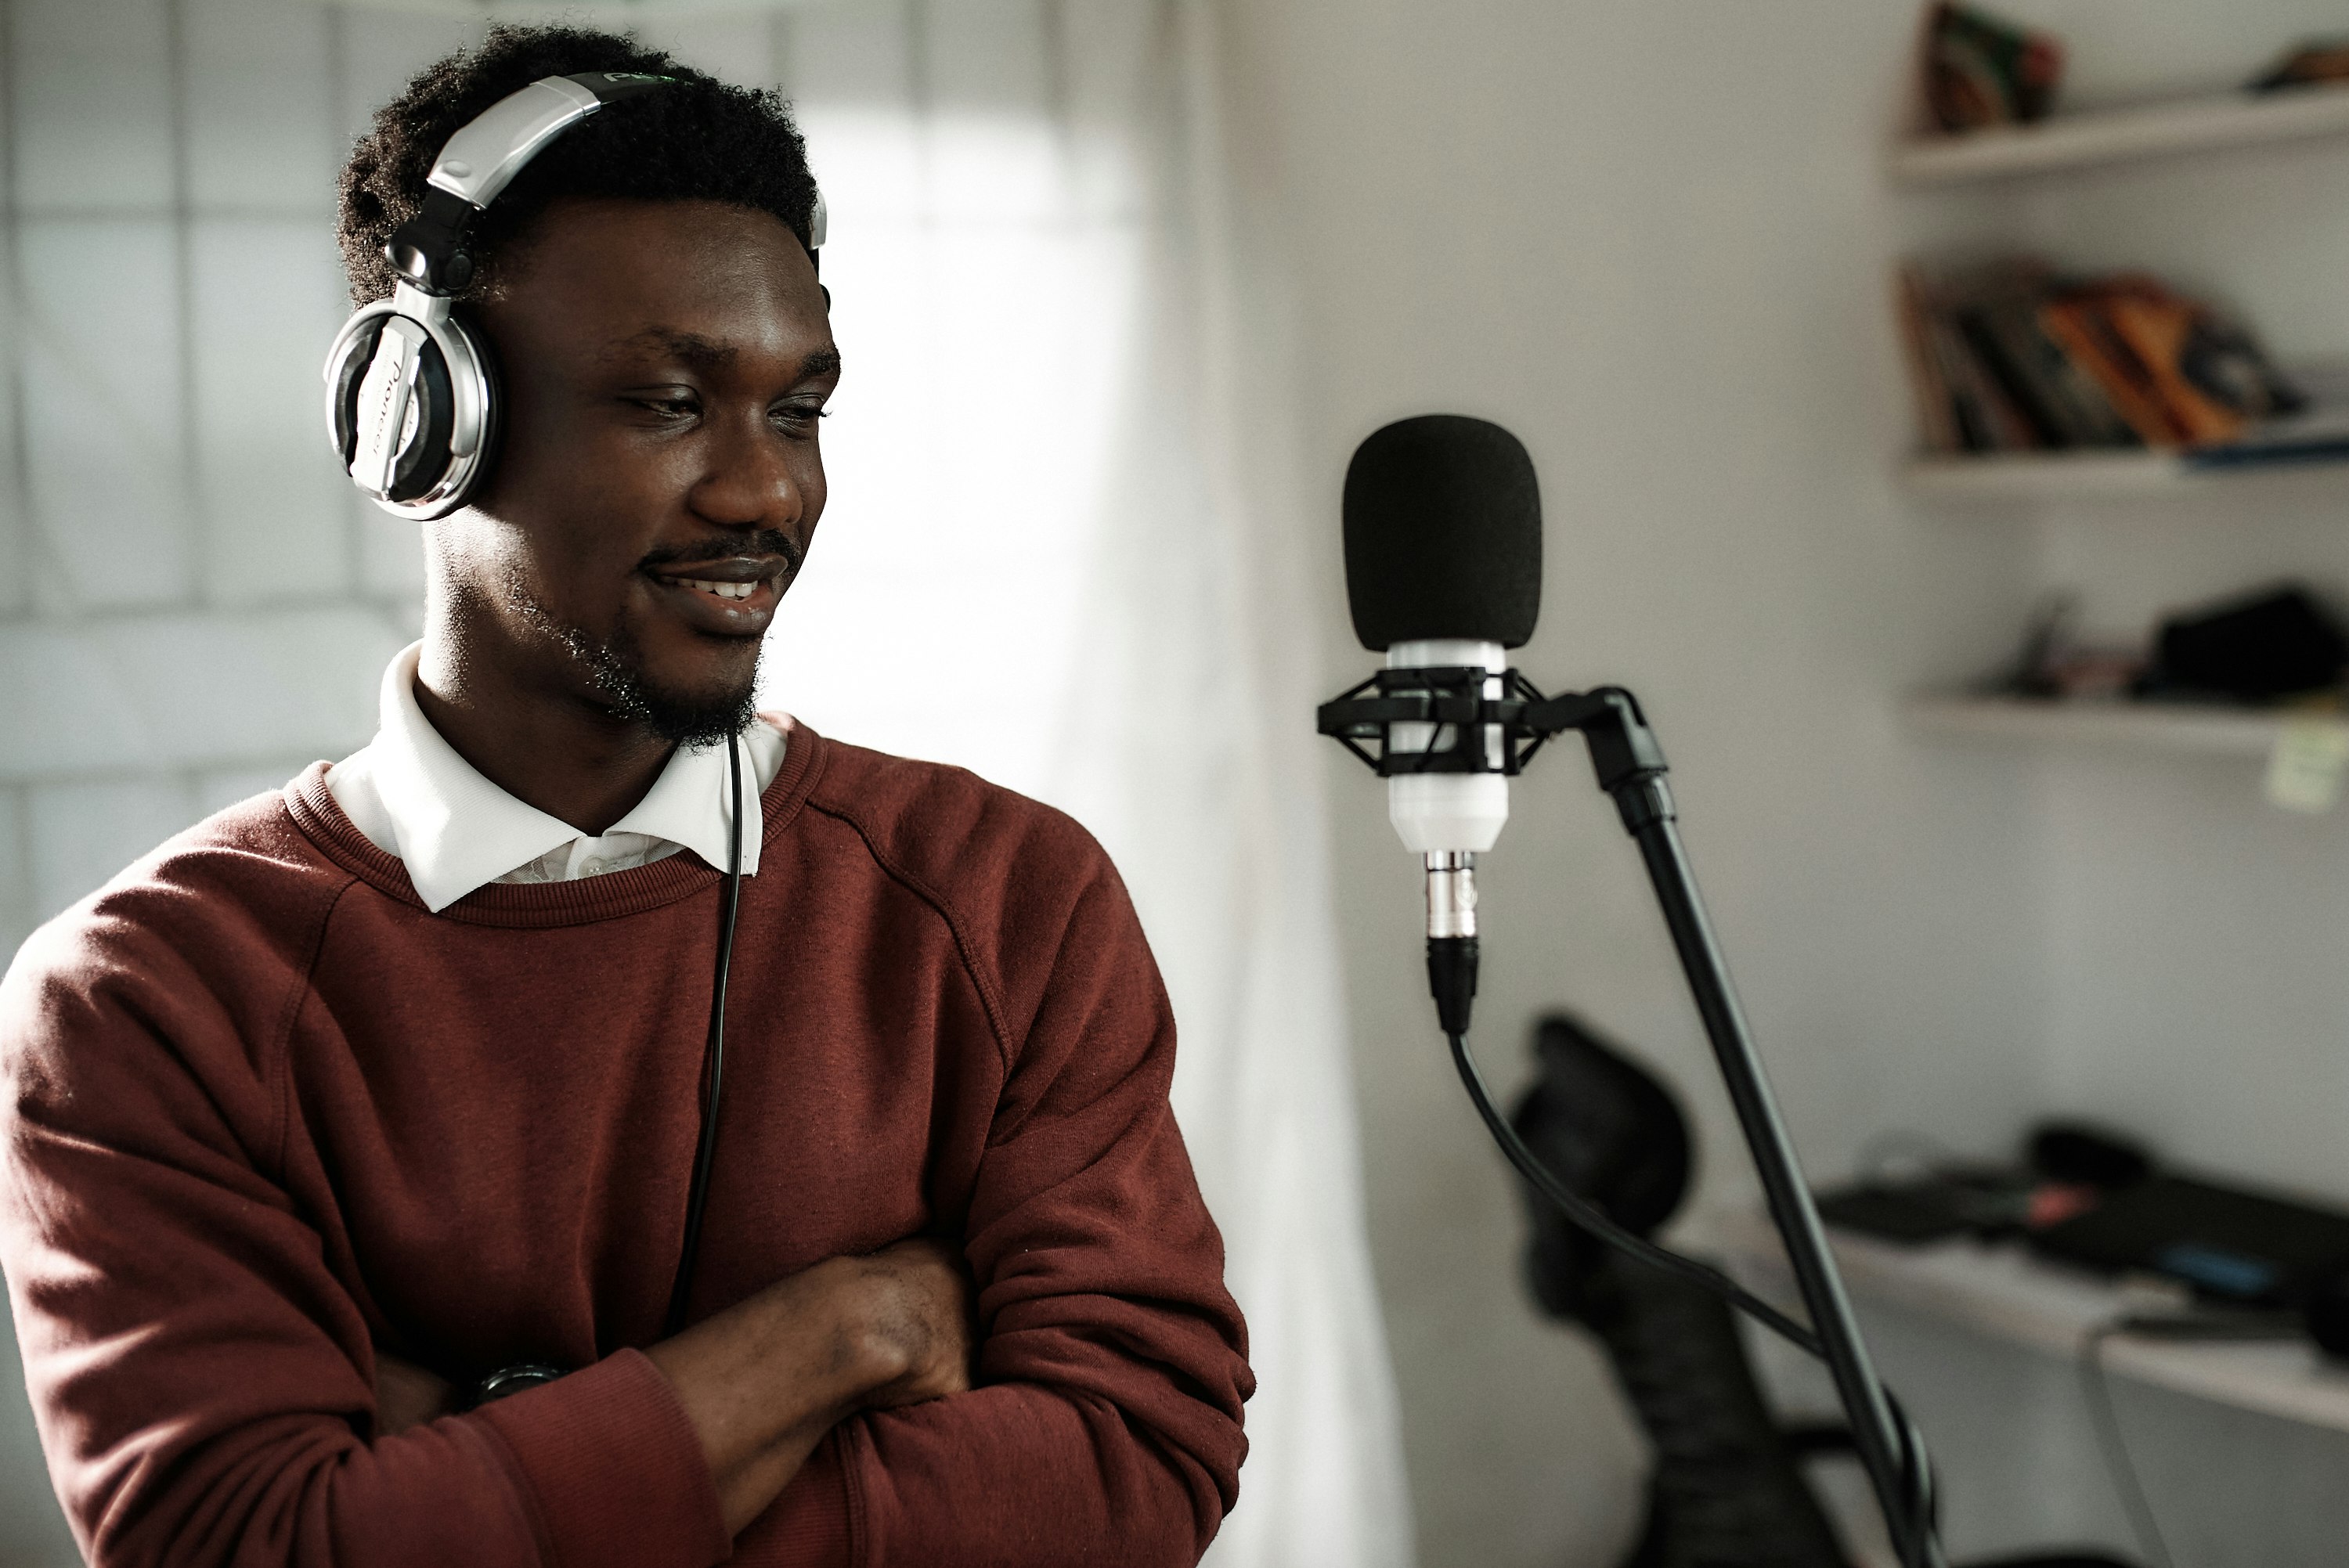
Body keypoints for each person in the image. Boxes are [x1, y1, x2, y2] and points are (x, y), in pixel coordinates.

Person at [0, 25, 1250, 1568]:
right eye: (667, 402)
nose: (764, 495)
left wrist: (479, 1453)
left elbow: (1137, 1470)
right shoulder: (144, 999)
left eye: (798, 410)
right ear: (421, 426)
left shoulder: (1008, 901)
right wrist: (845, 1336)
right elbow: (245, 1552)